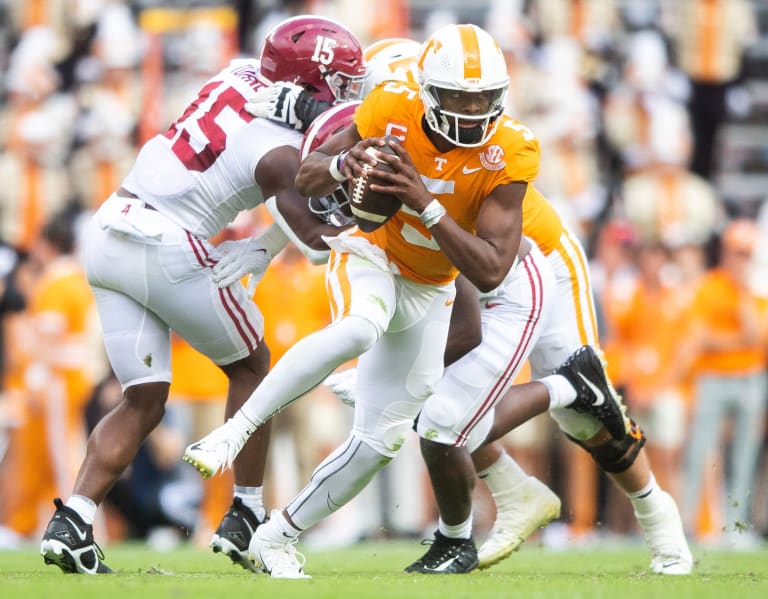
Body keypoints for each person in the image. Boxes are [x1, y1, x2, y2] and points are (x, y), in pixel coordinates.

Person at [183, 23, 626, 579]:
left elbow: (489, 274)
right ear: (423, 90)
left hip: (435, 281)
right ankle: (235, 431)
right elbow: (310, 175)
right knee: (361, 327)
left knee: (381, 440)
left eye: (483, 99)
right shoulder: (390, 105)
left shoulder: (510, 149)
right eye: (458, 97)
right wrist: (348, 165)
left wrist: (424, 203)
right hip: (370, 253)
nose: (470, 111)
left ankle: (275, 536)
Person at [311, 36, 692, 575]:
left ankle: (660, 521)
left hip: (538, 265)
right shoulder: (390, 127)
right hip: (466, 263)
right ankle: (516, 493)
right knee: (432, 404)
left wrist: (420, 203)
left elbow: (484, 258)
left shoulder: (497, 145)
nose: (469, 113)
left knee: (584, 415)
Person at [39, 15, 367, 574]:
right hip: (164, 243)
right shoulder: (279, 151)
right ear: (308, 85)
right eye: (337, 83)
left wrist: (263, 242)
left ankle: (73, 518)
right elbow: (318, 243)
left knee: (142, 397)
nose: (345, 94)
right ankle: (246, 515)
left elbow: (250, 152)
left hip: (111, 227)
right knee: (255, 366)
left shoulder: (237, 73)